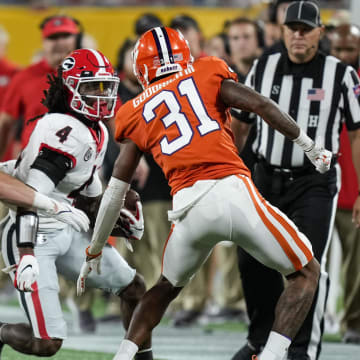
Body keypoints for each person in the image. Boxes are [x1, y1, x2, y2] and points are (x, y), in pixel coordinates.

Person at [78, 26, 333, 360]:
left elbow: (114, 190)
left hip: (187, 210)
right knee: (306, 273)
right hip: (233, 192)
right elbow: (261, 105)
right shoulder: (207, 70)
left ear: (141, 69)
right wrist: (310, 146)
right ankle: (271, 356)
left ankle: (122, 357)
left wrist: (95, 249)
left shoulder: (135, 110)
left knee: (164, 289)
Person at [0, 48, 153, 360]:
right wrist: (27, 253)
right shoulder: (64, 131)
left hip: (66, 228)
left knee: (135, 289)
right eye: (92, 88)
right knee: (46, 344)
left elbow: (87, 193)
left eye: (106, 87)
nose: (102, 96)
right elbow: (31, 195)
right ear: (70, 89)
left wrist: (113, 216)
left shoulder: (94, 130)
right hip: (31, 235)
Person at [232, 2, 360, 360]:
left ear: (321, 32)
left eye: (306, 28)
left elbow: (357, 134)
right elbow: (240, 124)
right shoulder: (263, 67)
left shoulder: (341, 74)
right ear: (283, 31)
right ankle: (259, 341)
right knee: (251, 260)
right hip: (265, 177)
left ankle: (301, 350)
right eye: (292, 28)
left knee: (306, 265)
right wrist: (230, 172)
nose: (299, 34)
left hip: (313, 184)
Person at [0, 15, 82, 159]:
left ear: (76, 39)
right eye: (53, 37)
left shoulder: (88, 75)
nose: (60, 42)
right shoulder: (24, 77)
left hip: (79, 162)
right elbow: (6, 123)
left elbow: (114, 119)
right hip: (33, 163)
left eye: (65, 36)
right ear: (43, 41)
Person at [329, 23, 360, 344]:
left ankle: (354, 322)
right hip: (319, 186)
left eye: (349, 50)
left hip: (353, 189)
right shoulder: (318, 81)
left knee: (356, 265)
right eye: (337, 49)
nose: (343, 56)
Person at [227, 17, 264, 82]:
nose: (241, 43)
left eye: (246, 36)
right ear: (229, 44)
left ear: (257, 40)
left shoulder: (271, 72)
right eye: (235, 38)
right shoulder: (225, 77)